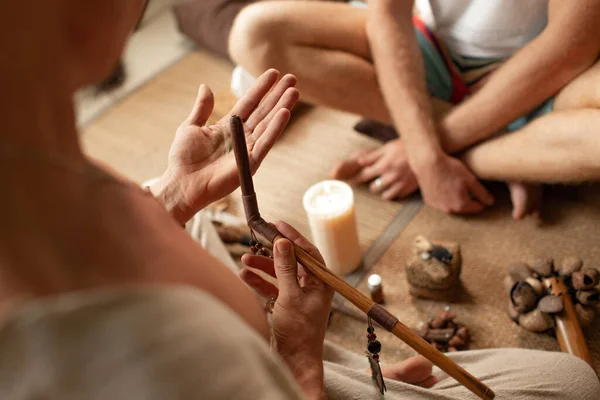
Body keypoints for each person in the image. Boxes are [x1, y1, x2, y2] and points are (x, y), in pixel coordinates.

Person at [0, 1, 598, 399]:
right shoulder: (97, 346)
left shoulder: (41, 170)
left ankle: (451, 147)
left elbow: (574, 41)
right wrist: (299, 361)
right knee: (571, 384)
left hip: (296, 368)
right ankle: (473, 150)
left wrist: (172, 197)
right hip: (293, 377)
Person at [229, 0, 600, 220]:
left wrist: (418, 153)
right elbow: (388, 17)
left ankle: (477, 158)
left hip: (540, 74)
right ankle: (512, 152)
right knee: (255, 34)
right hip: (426, 49)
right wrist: (427, 156)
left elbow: (569, 49)